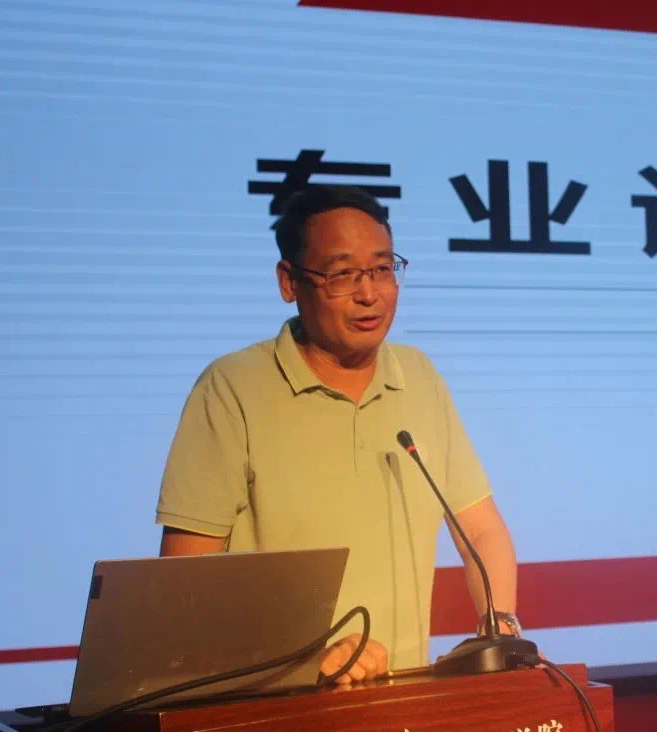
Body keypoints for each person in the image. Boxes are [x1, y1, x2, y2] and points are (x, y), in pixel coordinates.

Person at [154, 186, 521, 684]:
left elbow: (480, 529)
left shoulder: (419, 377)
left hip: (405, 699)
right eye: (343, 274)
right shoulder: (232, 388)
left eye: (383, 268)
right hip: (277, 708)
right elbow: (182, 588)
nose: (369, 293)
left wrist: (501, 626)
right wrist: (310, 663)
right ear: (289, 282)